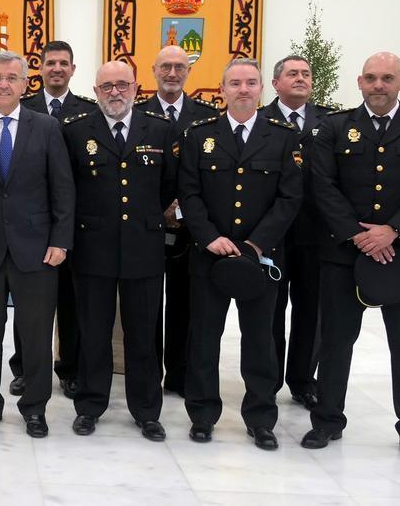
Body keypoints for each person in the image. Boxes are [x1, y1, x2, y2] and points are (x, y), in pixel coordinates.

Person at [301, 52, 400, 466]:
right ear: (359, 82)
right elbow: (322, 184)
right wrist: (358, 233)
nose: (378, 85)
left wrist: (392, 230)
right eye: (371, 78)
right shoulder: (334, 126)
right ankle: (327, 420)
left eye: (387, 78)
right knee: (335, 340)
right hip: (343, 252)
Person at [178, 58, 301, 449]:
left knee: (260, 340)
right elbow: (189, 192)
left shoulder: (283, 136)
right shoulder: (200, 134)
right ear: (222, 89)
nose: (243, 90)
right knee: (203, 339)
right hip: (210, 255)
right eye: (235, 83)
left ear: (262, 88)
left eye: (251, 83)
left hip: (260, 259)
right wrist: (209, 236)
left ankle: (261, 418)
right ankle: (202, 414)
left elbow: (290, 197)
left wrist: (256, 244)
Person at [0, 50, 74, 439]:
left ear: (25, 84)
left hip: (37, 248)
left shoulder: (47, 127)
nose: (3, 84)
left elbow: (63, 189)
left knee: (36, 331)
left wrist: (60, 240)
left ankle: (34, 407)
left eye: (11, 77)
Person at [62, 61, 176, 440]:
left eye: (122, 85)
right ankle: (90, 405)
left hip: (143, 247)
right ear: (95, 91)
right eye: (106, 86)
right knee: (92, 332)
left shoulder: (158, 129)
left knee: (143, 333)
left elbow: (168, 187)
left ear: (136, 87)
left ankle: (146, 410)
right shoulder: (77, 131)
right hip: (92, 248)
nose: (115, 92)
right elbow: (68, 189)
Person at [12, 40, 97, 398]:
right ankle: (24, 367)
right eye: (50, 63)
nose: (57, 69)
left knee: (70, 299)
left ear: (73, 69)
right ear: (40, 69)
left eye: (64, 63)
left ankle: (69, 368)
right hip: (27, 223)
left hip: (71, 220)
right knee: (26, 302)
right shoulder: (23, 106)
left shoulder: (88, 111)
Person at [135, 45, 220, 396]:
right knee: (148, 306)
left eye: (179, 67)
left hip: (192, 228)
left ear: (188, 72)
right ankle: (149, 374)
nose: (172, 73)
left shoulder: (206, 117)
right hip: (148, 226)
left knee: (187, 305)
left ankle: (181, 375)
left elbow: (208, 175)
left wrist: (181, 208)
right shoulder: (137, 114)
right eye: (165, 67)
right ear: (153, 70)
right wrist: (161, 209)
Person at [259, 55, 336, 409]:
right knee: (269, 309)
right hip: (272, 233)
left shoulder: (331, 122)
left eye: (305, 74)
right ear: (276, 83)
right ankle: (268, 379)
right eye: (292, 74)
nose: (300, 79)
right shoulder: (260, 120)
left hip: (316, 234)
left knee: (312, 309)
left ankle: (304, 379)